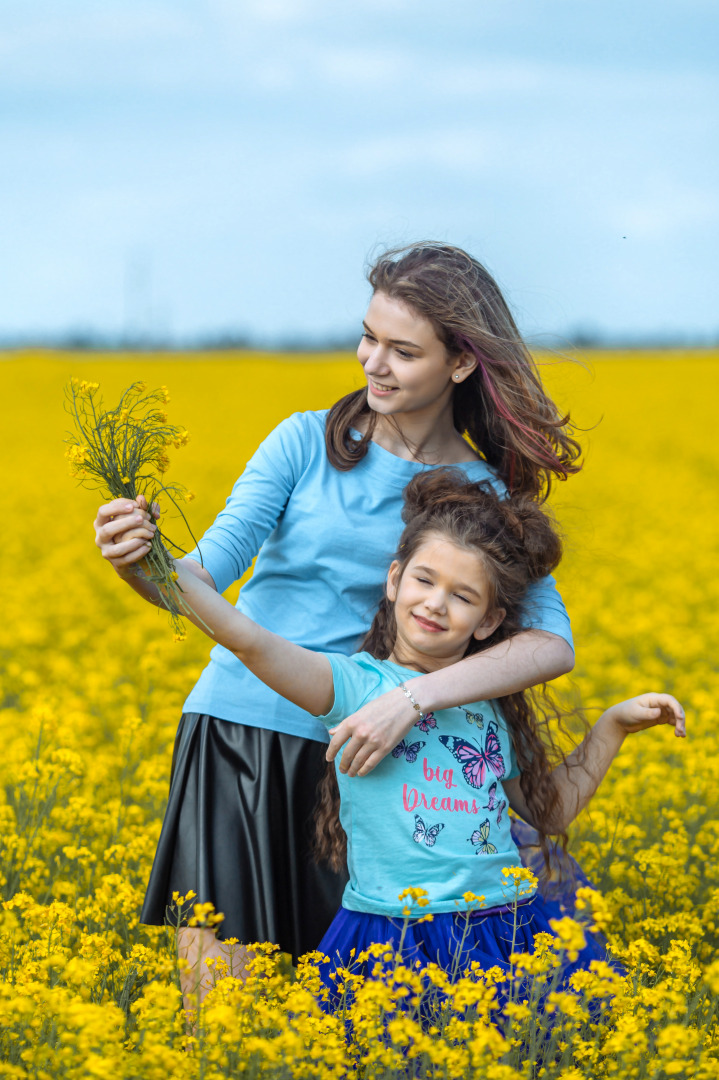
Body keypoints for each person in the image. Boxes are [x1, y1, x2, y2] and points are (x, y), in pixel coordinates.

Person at [93, 242, 582, 996]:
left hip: (377, 762)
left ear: (459, 364)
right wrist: (140, 560)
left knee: (350, 1022)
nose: (372, 363)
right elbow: (203, 581)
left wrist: (411, 699)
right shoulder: (302, 442)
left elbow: (550, 645)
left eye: (401, 350)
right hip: (239, 739)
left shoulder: (483, 489)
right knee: (222, 1019)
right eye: (367, 337)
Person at [146, 468, 685, 987]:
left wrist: (612, 726)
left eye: (463, 596)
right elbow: (251, 641)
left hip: (502, 930)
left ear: (490, 622)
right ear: (394, 580)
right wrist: (154, 563)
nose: (436, 603)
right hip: (386, 932)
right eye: (424, 580)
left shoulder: (489, 705)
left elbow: (550, 810)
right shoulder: (353, 686)